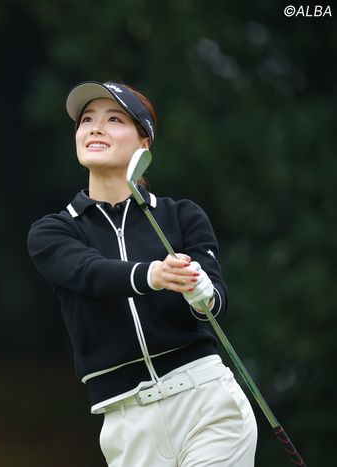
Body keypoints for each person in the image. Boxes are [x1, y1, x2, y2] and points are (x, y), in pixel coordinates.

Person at [27, 81, 258, 466]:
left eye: (113, 119)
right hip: (128, 426)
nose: (95, 128)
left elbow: (215, 301)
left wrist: (203, 291)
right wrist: (152, 275)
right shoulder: (53, 231)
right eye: (87, 120)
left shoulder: (182, 216)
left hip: (207, 404)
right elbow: (90, 273)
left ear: (143, 143)